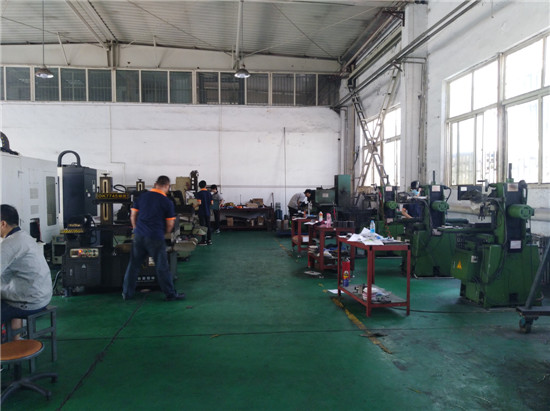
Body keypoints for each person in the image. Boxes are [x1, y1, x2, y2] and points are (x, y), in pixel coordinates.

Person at [122, 176, 185, 301]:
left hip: (139, 237)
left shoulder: (142, 197)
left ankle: (127, 294)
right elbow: (170, 224)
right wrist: (164, 233)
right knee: (162, 266)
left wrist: (136, 228)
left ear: (156, 184)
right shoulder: (167, 202)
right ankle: (170, 294)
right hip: (155, 237)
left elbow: (133, 215)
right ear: (167, 186)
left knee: (133, 265)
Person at [1, 204, 52, 340]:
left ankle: (8, 344)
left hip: (30, 301)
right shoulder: (23, 237)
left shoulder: (10, 243)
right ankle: (16, 339)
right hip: (42, 295)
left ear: (3, 224)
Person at [195, 180, 213, 245]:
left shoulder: (199, 193)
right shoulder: (209, 193)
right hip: (207, 212)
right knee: (208, 226)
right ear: (206, 185)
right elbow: (212, 203)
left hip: (201, 212)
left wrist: (194, 206)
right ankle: (209, 240)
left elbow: (199, 203)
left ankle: (203, 241)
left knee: (202, 226)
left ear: (199, 186)